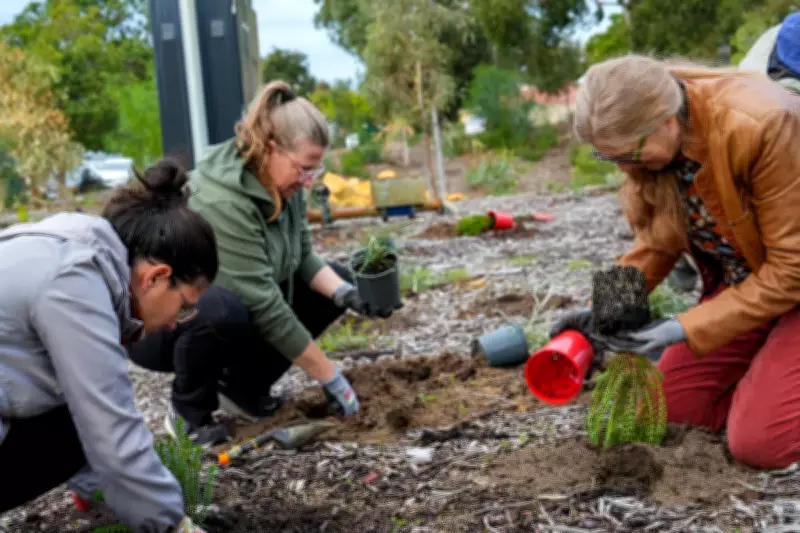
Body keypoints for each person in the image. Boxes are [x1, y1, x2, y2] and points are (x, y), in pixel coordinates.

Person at [550, 54, 800, 469]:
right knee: (673, 411)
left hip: (791, 283)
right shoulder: (659, 151)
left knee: (761, 445)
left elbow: (792, 271)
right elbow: (656, 240)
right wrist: (604, 311)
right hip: (753, 289)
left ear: (665, 119)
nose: (625, 168)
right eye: (610, 158)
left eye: (629, 154)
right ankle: (771, 386)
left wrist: (682, 327)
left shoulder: (762, 124)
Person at [127, 80, 399, 447]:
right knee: (221, 309)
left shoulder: (284, 184)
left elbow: (302, 256)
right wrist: (331, 379)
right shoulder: (225, 200)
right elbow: (265, 305)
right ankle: (189, 415)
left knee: (333, 280)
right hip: (162, 321)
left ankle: (244, 391)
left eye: (314, 171)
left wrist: (348, 295)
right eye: (303, 168)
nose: (307, 181)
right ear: (272, 149)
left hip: (222, 312)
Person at [0, 160, 217, 532]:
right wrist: (175, 526)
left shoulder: (76, 241)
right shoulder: (74, 284)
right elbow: (109, 428)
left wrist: (98, 491)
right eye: (183, 305)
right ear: (157, 277)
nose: (173, 322)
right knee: (91, 418)